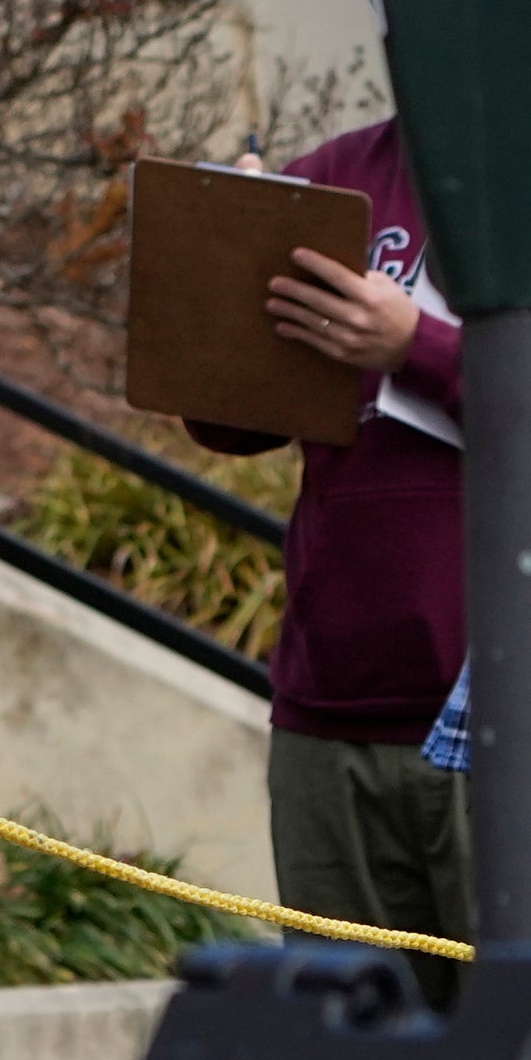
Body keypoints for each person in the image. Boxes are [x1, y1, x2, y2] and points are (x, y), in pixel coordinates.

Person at [184, 120, 470, 961]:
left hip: (510, 714)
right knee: (350, 1059)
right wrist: (221, 259)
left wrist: (414, 346)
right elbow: (227, 424)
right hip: (327, 707)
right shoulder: (335, 174)